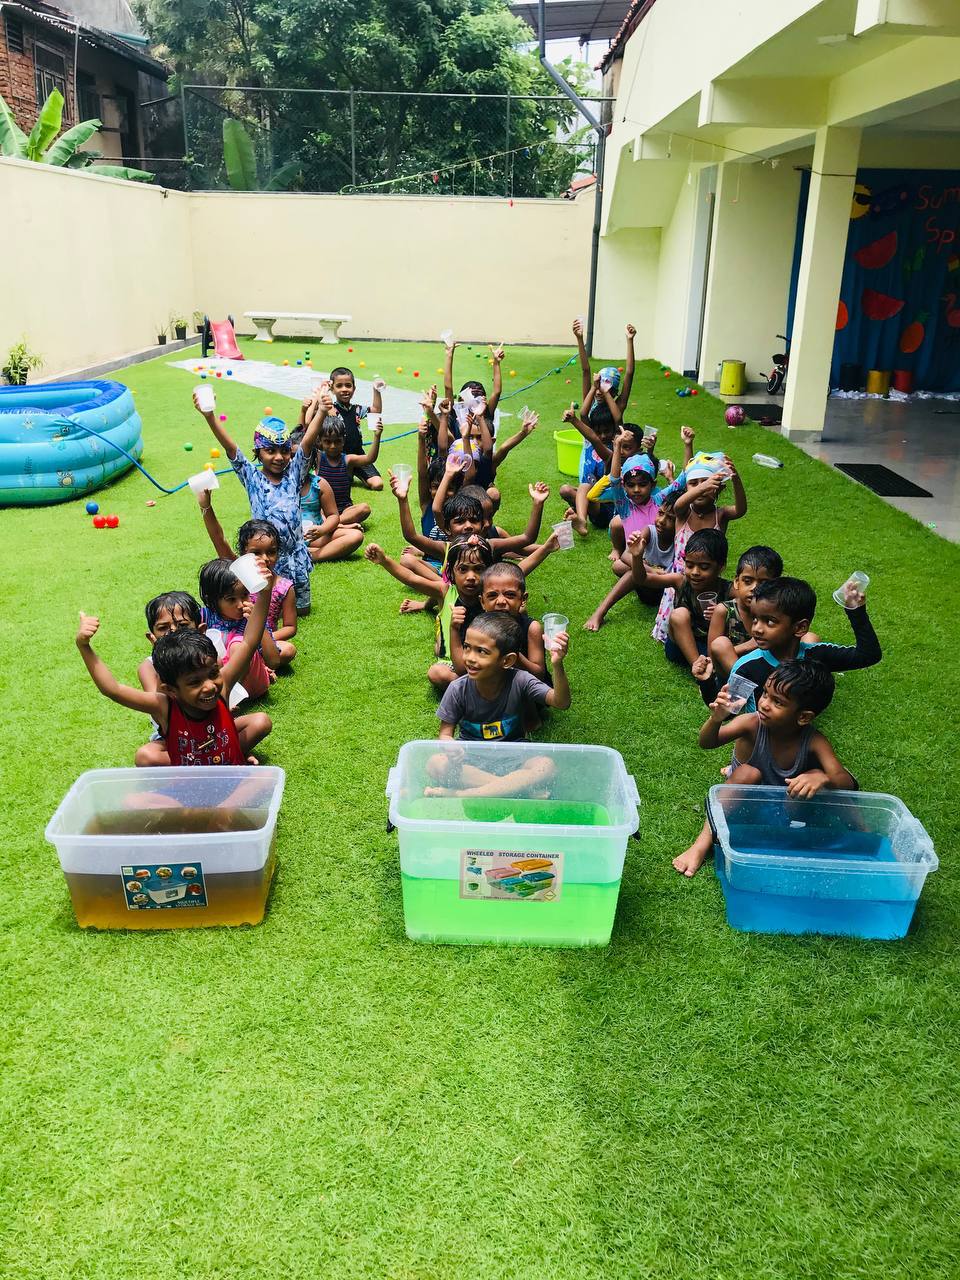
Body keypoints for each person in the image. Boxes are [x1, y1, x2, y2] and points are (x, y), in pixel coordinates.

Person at [673, 660, 858, 877]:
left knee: (817, 778)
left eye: (777, 702)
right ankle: (701, 845)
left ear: (803, 717)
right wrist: (716, 719)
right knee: (747, 772)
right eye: (765, 694)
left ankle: (866, 839)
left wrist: (821, 777)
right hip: (749, 805)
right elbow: (707, 743)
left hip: (790, 811)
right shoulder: (751, 723)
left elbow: (846, 783)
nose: (764, 704)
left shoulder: (814, 741)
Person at [76, 589, 272, 767]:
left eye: (213, 673)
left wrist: (264, 591)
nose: (209, 686)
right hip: (187, 773)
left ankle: (230, 754)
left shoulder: (221, 685)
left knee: (261, 721)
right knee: (145, 757)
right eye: (194, 682)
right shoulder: (164, 705)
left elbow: (249, 642)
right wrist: (84, 646)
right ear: (171, 690)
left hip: (227, 769)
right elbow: (113, 690)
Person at [192, 391, 327, 614]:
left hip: (295, 556)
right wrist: (210, 416)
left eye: (284, 451)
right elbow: (231, 449)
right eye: (270, 451)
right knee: (268, 610)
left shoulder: (294, 474)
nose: (279, 457)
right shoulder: (252, 477)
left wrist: (321, 411)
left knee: (301, 610)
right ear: (258, 452)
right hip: (267, 557)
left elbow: (306, 444)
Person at [424, 612, 571, 798]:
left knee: (547, 765)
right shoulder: (458, 688)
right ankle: (519, 790)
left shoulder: (521, 680)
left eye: (482, 651)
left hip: (515, 756)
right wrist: (449, 745)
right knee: (435, 763)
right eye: (467, 647)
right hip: (470, 759)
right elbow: (445, 734)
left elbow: (561, 702)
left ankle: (462, 794)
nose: (470, 657)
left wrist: (557, 665)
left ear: (507, 660)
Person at [726, 577, 882, 709]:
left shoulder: (817, 656)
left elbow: (868, 655)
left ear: (800, 627)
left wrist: (856, 613)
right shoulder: (747, 668)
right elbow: (729, 710)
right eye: (755, 619)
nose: (757, 629)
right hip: (760, 733)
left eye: (770, 621)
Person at [652, 451, 747, 643]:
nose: (700, 488)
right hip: (681, 579)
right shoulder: (683, 513)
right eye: (693, 483)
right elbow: (678, 504)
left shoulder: (721, 515)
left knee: (707, 616)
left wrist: (736, 480)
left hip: (708, 579)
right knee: (679, 617)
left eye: (705, 482)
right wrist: (703, 486)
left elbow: (740, 510)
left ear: (719, 487)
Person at [195, 495, 297, 668]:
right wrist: (206, 506)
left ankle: (254, 662)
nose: (264, 559)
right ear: (243, 553)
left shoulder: (284, 587)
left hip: (262, 638)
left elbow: (290, 627)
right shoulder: (238, 572)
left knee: (288, 650)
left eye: (271, 552)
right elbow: (218, 538)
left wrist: (259, 637)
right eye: (256, 553)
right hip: (230, 637)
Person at [634, 529, 731, 680]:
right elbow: (643, 579)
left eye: (704, 567)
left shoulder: (728, 590)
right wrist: (636, 556)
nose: (695, 572)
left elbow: (753, 605)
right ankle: (701, 671)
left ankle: (706, 666)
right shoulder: (680, 581)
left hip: (710, 647)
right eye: (690, 565)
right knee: (679, 614)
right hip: (679, 646)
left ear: (721, 566)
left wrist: (725, 611)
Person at [583, 497, 678, 631]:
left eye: (671, 518)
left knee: (630, 573)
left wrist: (649, 570)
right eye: (660, 513)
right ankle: (600, 612)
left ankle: (601, 612)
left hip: (662, 590)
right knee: (618, 566)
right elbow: (625, 555)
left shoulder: (680, 541)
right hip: (646, 578)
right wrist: (650, 569)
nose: (661, 521)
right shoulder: (649, 531)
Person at [198, 558, 281, 698]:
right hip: (216, 677)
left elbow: (274, 661)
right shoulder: (204, 616)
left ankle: (228, 696)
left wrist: (257, 623)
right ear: (212, 600)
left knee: (237, 646)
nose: (241, 604)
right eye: (231, 599)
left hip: (250, 684)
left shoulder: (254, 615)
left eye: (245, 595)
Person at [707, 545, 783, 680]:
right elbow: (712, 656)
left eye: (763, 583)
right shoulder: (724, 611)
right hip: (733, 673)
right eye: (747, 581)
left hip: (769, 670)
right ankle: (749, 687)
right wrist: (747, 646)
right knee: (720, 644)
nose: (754, 588)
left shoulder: (778, 611)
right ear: (737, 582)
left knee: (810, 637)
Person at [479, 561, 548, 681]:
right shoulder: (478, 628)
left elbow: (539, 675)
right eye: (492, 595)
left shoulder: (531, 628)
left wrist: (512, 650)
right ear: (482, 602)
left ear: (523, 599)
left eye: (510, 595)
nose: (501, 601)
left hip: (526, 686)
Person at [313, 414, 382, 527]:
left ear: (343, 441)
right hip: (324, 510)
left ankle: (332, 524)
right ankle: (336, 524)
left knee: (364, 508)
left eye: (337, 441)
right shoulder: (318, 458)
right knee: (314, 510)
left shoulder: (348, 460)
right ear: (320, 441)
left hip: (345, 510)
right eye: (328, 441)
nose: (333, 446)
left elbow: (370, 458)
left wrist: (377, 436)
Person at [329, 365, 383, 491]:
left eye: (348, 385)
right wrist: (324, 390)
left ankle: (354, 471)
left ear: (354, 388)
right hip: (340, 457)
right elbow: (326, 409)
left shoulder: (357, 409)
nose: (344, 389)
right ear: (332, 389)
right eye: (339, 386)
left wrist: (376, 390)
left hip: (359, 455)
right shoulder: (331, 409)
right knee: (344, 483)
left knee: (378, 484)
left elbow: (376, 410)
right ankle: (348, 473)